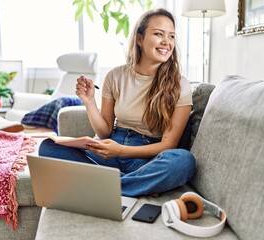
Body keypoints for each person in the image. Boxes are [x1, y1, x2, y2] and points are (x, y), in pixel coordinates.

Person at [39, 8, 195, 197]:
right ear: (139, 39)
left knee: (183, 160)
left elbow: (168, 146)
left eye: (171, 36)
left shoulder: (180, 84)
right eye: (158, 34)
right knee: (48, 147)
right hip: (110, 149)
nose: (166, 42)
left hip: (145, 157)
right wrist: (89, 102)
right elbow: (104, 131)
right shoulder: (115, 76)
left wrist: (122, 150)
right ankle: (138, 183)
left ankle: (107, 186)